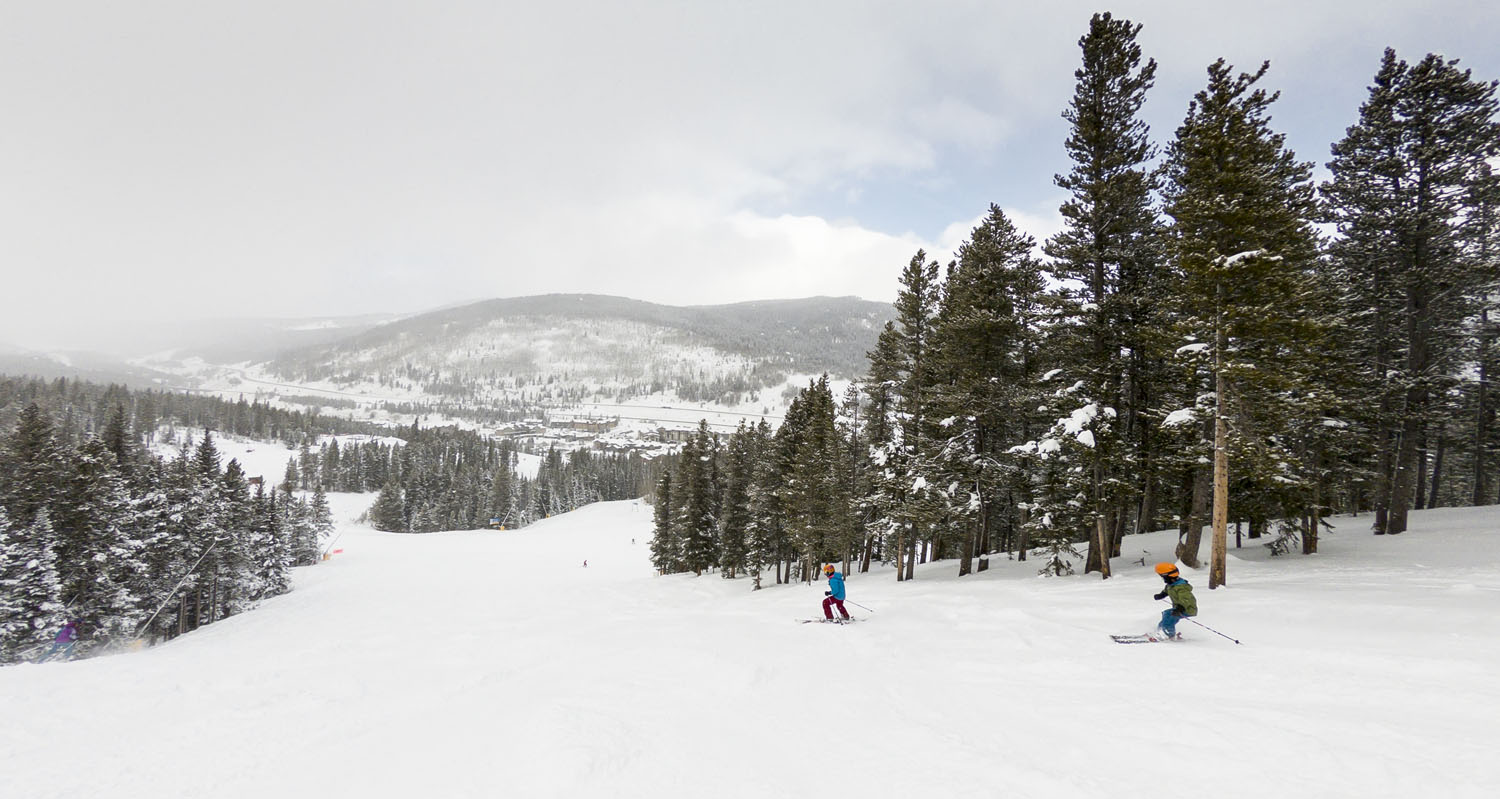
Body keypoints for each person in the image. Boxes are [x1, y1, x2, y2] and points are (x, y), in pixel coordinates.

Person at [1152, 563, 1197, 640]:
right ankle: (1159, 631)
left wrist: (1181, 608)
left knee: (1169, 619)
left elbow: (1187, 599)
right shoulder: (1172, 584)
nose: (1162, 579)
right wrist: (1162, 595)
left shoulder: (1181, 587)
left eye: (1162, 577)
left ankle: (1169, 635)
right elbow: (1167, 590)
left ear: (1167, 576)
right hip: (1178, 608)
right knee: (1167, 614)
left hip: (1187, 608)